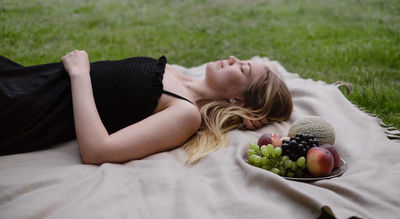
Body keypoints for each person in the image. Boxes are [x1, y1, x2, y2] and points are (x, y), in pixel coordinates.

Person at [0, 50, 292, 164]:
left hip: (27, 107)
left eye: (242, 70)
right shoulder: (179, 76)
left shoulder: (185, 114)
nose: (232, 58)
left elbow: (97, 151)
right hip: (33, 79)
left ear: (237, 101)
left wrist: (79, 75)